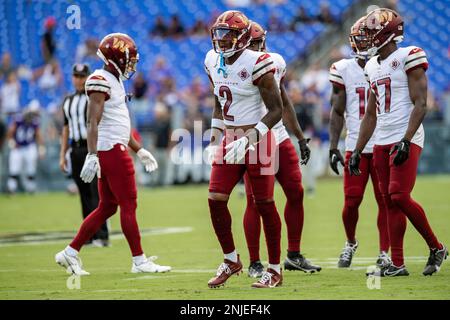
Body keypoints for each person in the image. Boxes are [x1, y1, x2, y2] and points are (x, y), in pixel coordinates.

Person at [55, 33, 171, 275]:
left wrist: (139, 150)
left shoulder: (112, 79)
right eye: (129, 60)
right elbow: (92, 121)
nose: (132, 65)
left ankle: (70, 252)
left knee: (107, 207)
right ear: (116, 58)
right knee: (129, 204)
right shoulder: (100, 80)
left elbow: (117, 124)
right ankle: (139, 261)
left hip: (112, 148)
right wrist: (92, 155)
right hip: (111, 152)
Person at [349, 8, 447, 276]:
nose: (367, 38)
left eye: (371, 32)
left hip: (406, 134)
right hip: (381, 137)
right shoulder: (371, 65)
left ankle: (436, 246)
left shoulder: (409, 55)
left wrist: (406, 139)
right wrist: (358, 149)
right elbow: (371, 112)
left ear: (386, 31)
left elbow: (421, 103)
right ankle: (398, 263)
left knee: (399, 195)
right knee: (389, 201)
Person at [204, 11, 284, 288]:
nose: (222, 40)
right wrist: (215, 137)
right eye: (219, 34)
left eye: (228, 34)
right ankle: (230, 259)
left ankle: (274, 269)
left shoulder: (259, 62)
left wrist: (249, 139)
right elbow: (218, 102)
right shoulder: (212, 60)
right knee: (215, 198)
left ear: (243, 37)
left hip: (259, 138)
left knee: (264, 204)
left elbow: (276, 110)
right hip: (230, 137)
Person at [243, 21, 321, 278]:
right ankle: (254, 261)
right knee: (256, 202)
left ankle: (294, 255)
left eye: (257, 42)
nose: (255, 47)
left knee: (296, 192)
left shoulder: (273, 61)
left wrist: (299, 136)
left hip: (278, 136)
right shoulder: (233, 66)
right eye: (251, 42)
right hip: (254, 139)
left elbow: (283, 100)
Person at [328, 17, 391, 268]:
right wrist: (334, 146)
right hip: (355, 144)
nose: (364, 44)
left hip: (383, 142)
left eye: (368, 38)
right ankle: (351, 242)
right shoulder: (343, 69)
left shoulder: (389, 65)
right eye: (360, 39)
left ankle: (385, 251)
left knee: (385, 200)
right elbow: (336, 110)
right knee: (351, 200)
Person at [59, 63, 110, 247]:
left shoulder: (93, 98)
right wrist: (62, 153)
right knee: (83, 194)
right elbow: (66, 128)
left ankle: (102, 235)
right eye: (76, 76)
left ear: (88, 77)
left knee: (96, 193)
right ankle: (88, 235)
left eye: (82, 76)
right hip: (76, 149)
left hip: (92, 149)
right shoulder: (67, 101)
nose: (79, 80)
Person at [6, 101, 45, 194]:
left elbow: (38, 135)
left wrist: (41, 148)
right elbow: (10, 132)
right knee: (14, 167)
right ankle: (11, 188)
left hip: (29, 146)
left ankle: (30, 188)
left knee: (31, 166)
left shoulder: (35, 121)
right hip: (18, 146)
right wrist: (11, 141)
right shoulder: (18, 119)